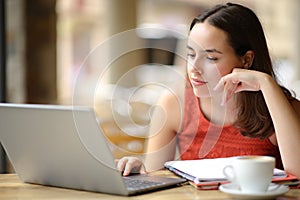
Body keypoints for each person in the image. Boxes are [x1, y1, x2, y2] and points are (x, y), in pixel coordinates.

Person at [116, 2, 300, 178]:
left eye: (211, 58)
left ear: (246, 60)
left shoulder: (283, 107)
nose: (194, 67)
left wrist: (266, 84)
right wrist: (141, 170)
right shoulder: (174, 102)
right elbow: (156, 179)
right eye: (191, 54)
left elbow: (298, 176)